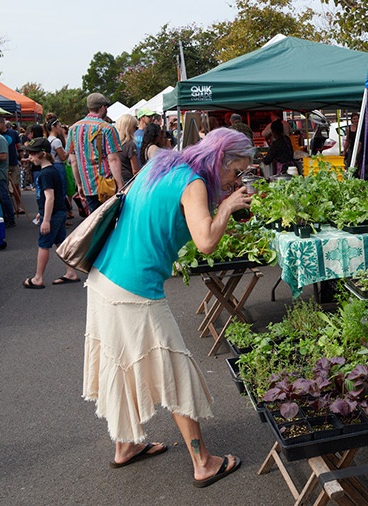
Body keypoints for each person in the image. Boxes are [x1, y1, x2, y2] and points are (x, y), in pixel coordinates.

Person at [83, 128, 251, 488]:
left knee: (122, 363)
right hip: (134, 288)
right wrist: (226, 208)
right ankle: (203, 462)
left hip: (104, 278)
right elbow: (206, 241)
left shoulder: (163, 164)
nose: (236, 180)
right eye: (235, 170)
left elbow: (156, 149)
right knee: (173, 367)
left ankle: (125, 446)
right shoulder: (194, 184)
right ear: (219, 157)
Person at [22, 138, 78, 289]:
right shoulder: (52, 170)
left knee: (43, 245)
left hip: (52, 215)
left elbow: (50, 197)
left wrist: (46, 219)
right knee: (60, 243)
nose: (30, 157)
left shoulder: (45, 174)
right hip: (59, 212)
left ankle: (38, 278)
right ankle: (71, 272)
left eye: (33, 154)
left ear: (42, 154)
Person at [66, 92, 123, 213]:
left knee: (94, 222)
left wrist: (79, 184)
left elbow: (73, 161)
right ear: (102, 107)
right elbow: (113, 159)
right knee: (110, 223)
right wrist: (120, 184)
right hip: (106, 185)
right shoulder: (107, 128)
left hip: (87, 185)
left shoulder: (73, 129)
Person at [0, 118, 25, 215]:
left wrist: (22, 159)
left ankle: (18, 206)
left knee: (16, 186)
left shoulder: (13, 133)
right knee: (5, 188)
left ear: (3, 123)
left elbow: (19, 146)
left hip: (13, 162)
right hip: (2, 165)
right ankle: (9, 208)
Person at [114, 114, 141, 183]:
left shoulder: (113, 144)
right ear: (129, 128)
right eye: (135, 127)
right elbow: (135, 170)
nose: (136, 130)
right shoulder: (130, 145)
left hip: (116, 179)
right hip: (128, 181)